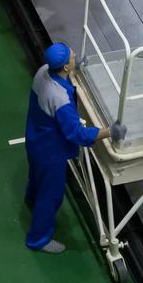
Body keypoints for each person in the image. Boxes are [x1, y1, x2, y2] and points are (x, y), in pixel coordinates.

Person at [25, 42, 125, 254]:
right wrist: (110, 131)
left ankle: (31, 199)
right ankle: (38, 239)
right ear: (64, 67)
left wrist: (74, 67)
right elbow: (77, 134)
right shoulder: (59, 98)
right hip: (51, 153)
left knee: (36, 177)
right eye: (72, 57)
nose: (75, 56)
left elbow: (61, 80)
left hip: (36, 139)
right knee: (51, 196)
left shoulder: (43, 71)